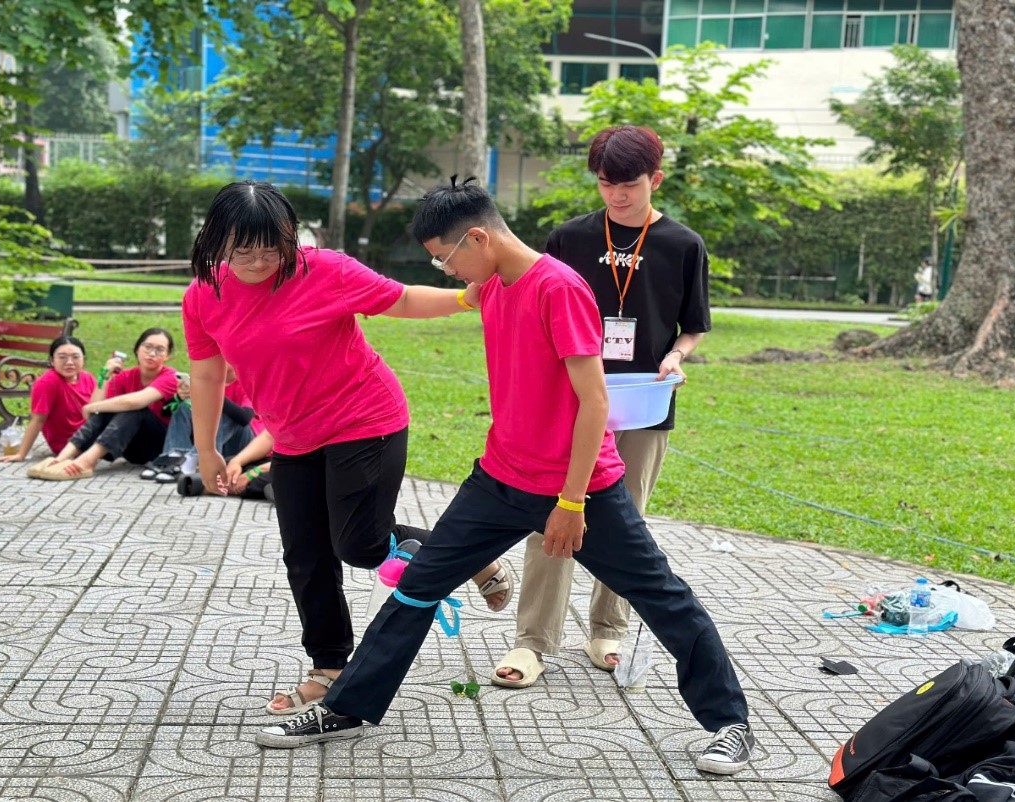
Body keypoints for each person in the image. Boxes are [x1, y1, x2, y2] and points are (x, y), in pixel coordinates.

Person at [255, 179, 755, 777]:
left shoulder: (560, 288)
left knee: (662, 598)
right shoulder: (491, 283)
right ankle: (347, 707)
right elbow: (423, 301)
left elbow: (594, 403)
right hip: (497, 479)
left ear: (478, 236)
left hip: (582, 488)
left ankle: (731, 723)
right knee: (416, 589)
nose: (445, 269)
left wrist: (570, 503)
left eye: (446, 256)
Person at [181, 180, 513, 717]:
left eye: (272, 247)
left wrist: (463, 297)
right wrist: (207, 448)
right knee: (306, 558)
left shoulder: (323, 269)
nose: (260, 260)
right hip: (291, 437)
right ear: (217, 240)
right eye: (244, 249)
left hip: (364, 420)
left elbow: (397, 297)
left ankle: (469, 557)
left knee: (358, 545)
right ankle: (329, 667)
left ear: (289, 238)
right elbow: (206, 372)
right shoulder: (204, 295)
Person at [493, 125, 710, 689]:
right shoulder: (569, 237)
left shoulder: (683, 245)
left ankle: (606, 627)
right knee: (553, 513)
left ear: (655, 180)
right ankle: (533, 640)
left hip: (642, 402)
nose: (617, 196)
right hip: (568, 402)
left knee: (623, 521)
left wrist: (675, 356)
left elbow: (694, 328)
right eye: (607, 184)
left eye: (629, 186)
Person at [31, 328, 179, 480]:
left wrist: (91, 407)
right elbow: (97, 411)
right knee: (108, 408)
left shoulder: (171, 377)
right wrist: (105, 375)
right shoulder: (125, 377)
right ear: (137, 349)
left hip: (159, 449)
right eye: (147, 347)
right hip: (132, 450)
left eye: (160, 350)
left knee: (136, 409)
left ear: (167, 355)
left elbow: (135, 401)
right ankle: (62, 458)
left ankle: (87, 461)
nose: (152, 353)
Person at [0, 336, 96, 467]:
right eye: (62, 357)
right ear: (52, 360)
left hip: (93, 435)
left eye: (75, 357)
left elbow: (96, 411)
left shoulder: (87, 378)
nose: (69, 362)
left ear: (83, 359)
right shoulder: (48, 382)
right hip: (70, 445)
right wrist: (21, 454)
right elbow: (37, 419)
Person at [141, 365, 258, 484]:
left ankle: (191, 460)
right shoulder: (206, 381)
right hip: (216, 441)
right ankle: (174, 456)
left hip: (243, 445)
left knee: (219, 412)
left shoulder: (246, 383)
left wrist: (212, 394)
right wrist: (180, 397)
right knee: (185, 406)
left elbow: (245, 418)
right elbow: (165, 413)